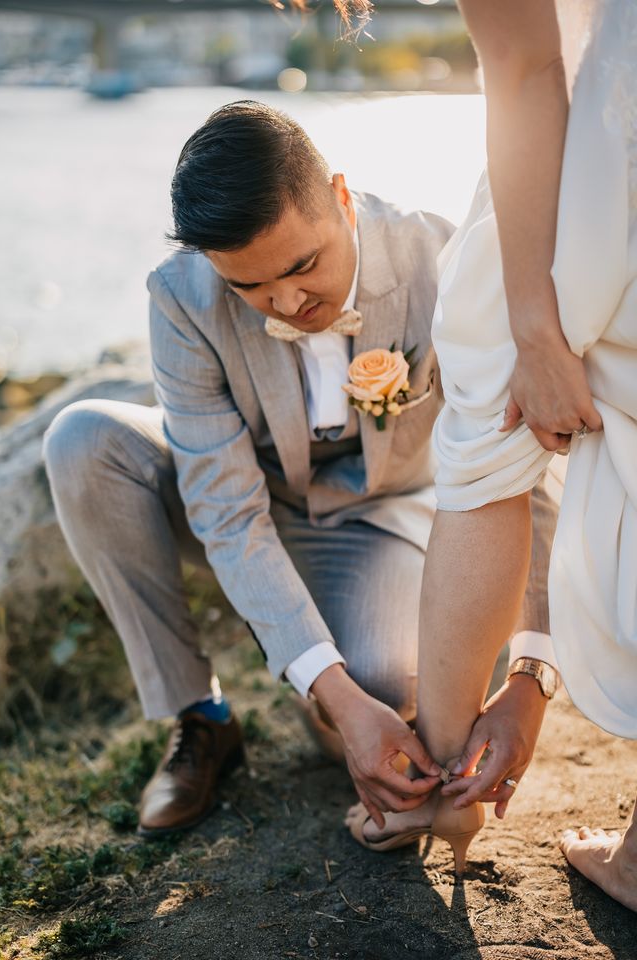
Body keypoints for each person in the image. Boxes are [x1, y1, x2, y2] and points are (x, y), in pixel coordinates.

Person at [43, 102, 559, 862]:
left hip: (379, 517)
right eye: (251, 286)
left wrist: (532, 670)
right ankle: (203, 717)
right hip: (243, 497)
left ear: (342, 200)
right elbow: (224, 511)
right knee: (84, 440)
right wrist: (336, 698)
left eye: (301, 266)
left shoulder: (440, 263)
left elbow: (521, 468)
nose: (286, 303)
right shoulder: (180, 295)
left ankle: (332, 677)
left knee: (383, 691)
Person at [337, 0, 637, 909]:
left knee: (486, 420)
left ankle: (441, 791)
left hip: (611, 141)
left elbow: (523, 68)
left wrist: (535, 323)